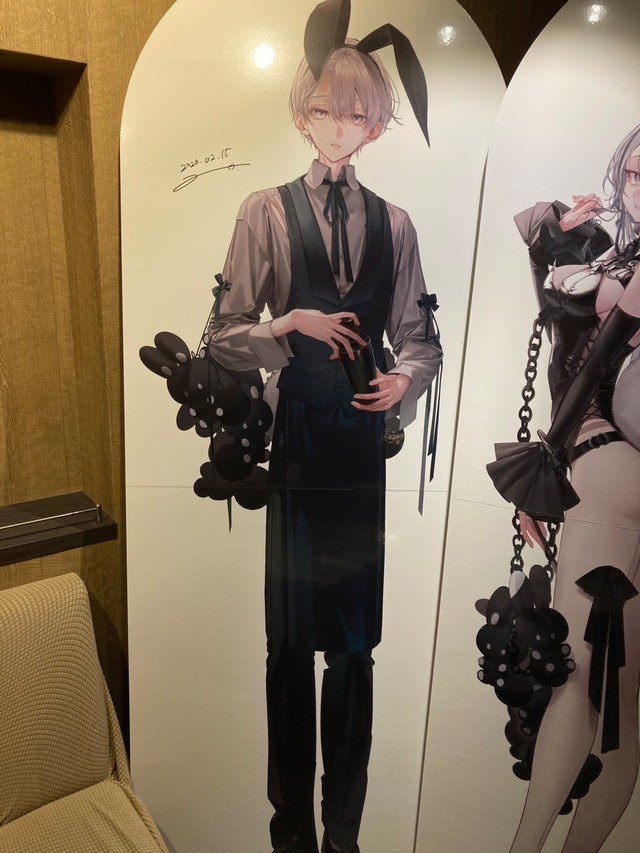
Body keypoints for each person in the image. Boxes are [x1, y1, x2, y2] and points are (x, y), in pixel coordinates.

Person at [206, 2, 442, 851]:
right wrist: (287, 325)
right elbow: (222, 336)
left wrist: (402, 379)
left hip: (359, 454)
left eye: (356, 114)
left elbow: (422, 339)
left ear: (375, 124)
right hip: (298, 447)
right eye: (324, 110)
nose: (339, 126)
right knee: (288, 646)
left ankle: (344, 826)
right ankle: (290, 827)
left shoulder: (397, 225)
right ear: (302, 114)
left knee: (354, 649)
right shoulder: (264, 213)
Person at [487, 123, 640, 853]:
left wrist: (545, 470)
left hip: (607, 466)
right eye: (636, 173)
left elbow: (587, 374)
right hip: (609, 471)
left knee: (583, 683)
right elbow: (538, 244)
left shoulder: (625, 270)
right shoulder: (614, 253)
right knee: (621, 698)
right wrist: (567, 226)